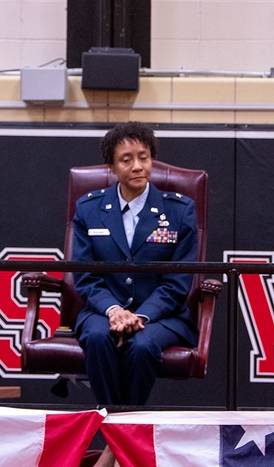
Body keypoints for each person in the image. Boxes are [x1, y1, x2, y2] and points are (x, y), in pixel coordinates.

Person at [72, 121, 198, 406]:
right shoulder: (89, 209)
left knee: (142, 346)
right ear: (112, 168)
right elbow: (85, 277)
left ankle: (116, 435)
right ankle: (119, 432)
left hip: (163, 316)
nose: (138, 166)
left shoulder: (179, 211)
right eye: (126, 160)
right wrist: (115, 310)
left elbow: (178, 283)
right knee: (97, 338)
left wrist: (140, 316)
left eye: (144, 157)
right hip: (103, 311)